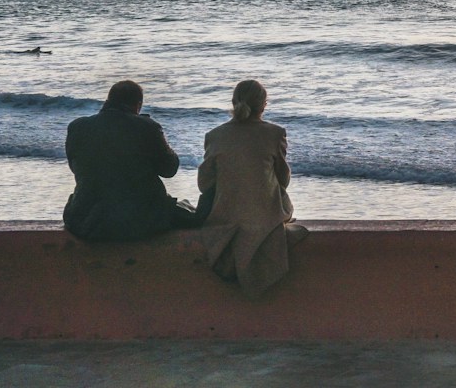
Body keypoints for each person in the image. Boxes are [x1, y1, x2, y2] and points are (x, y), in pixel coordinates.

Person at [197, 79, 305, 297]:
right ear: (264, 105)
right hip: (266, 213)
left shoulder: (214, 135)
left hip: (225, 212)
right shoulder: (275, 133)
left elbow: (204, 183)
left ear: (233, 101)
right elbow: (283, 179)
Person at [63, 80, 201, 241]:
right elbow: (169, 169)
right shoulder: (146, 126)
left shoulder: (77, 127)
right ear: (138, 104)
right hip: (140, 220)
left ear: (107, 101)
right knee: (192, 213)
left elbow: (76, 167)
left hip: (85, 218)